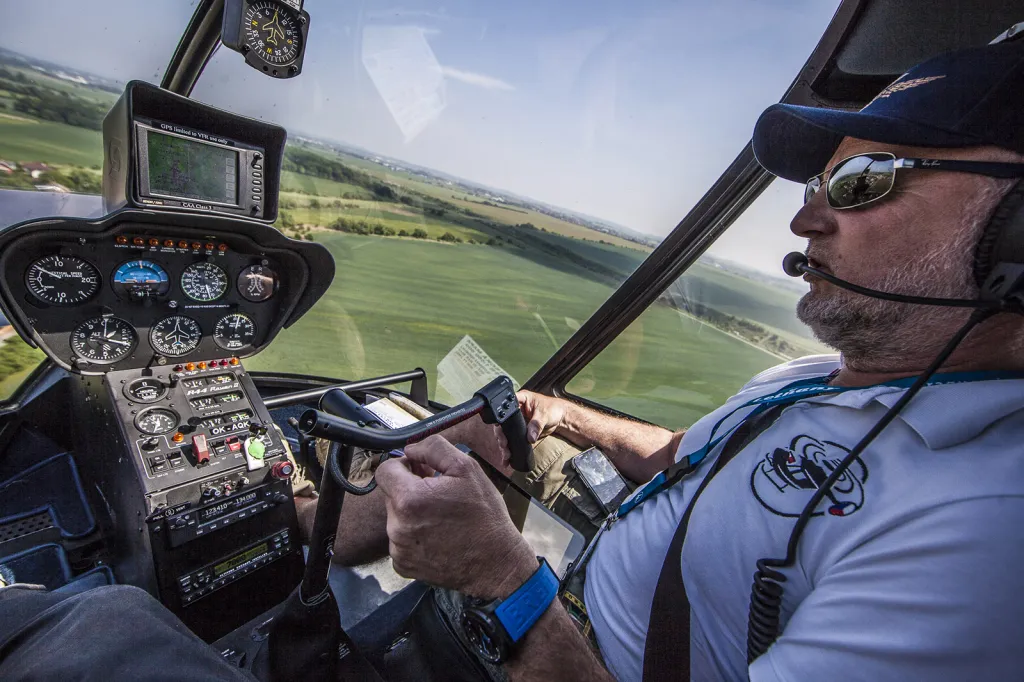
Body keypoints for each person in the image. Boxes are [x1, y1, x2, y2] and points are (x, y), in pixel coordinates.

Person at [320, 39, 1024, 681]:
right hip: (586, 579)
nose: (804, 221)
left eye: (864, 181)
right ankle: (297, 535)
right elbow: (681, 452)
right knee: (471, 430)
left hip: (575, 652)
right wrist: (563, 414)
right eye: (818, 186)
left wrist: (504, 581)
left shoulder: (982, 531)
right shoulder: (811, 379)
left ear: (1014, 235)